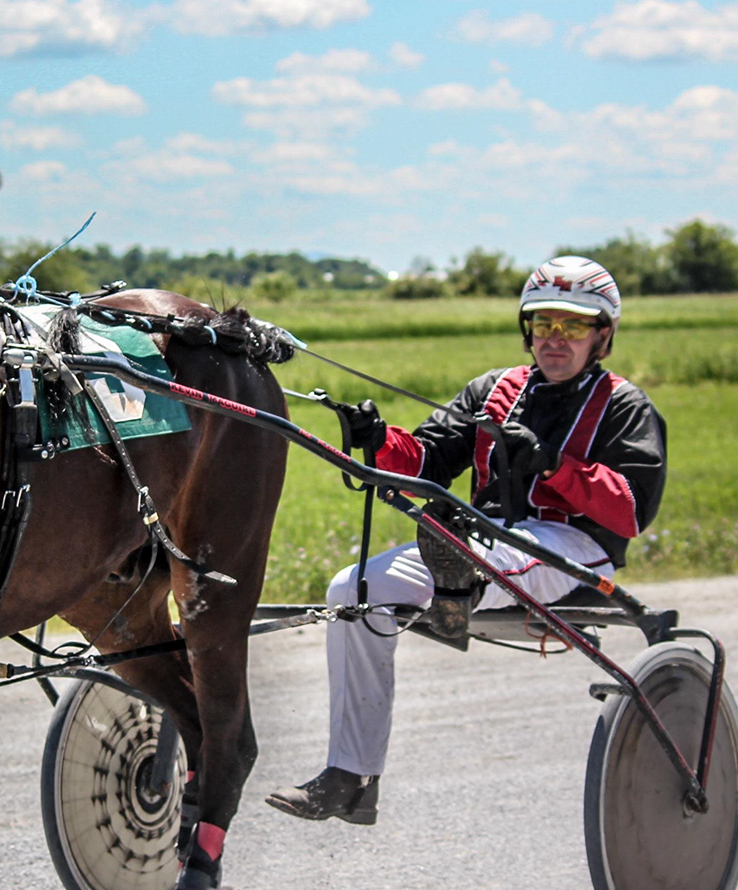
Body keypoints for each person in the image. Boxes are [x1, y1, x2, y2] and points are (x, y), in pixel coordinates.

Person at [265, 257, 667, 825]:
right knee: (352, 589)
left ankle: (461, 580)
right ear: (528, 329)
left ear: (602, 336)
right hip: (484, 540)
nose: (555, 338)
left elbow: (630, 511)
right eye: (544, 323)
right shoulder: (494, 391)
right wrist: (378, 442)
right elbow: (428, 461)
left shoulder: (625, 405)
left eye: (573, 325)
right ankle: (350, 778)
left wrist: (554, 467)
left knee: (480, 557)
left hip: (574, 547)